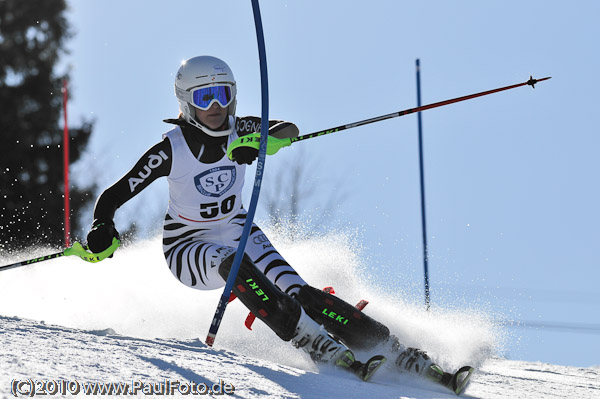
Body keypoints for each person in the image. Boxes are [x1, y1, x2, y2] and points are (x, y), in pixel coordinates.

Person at [86, 56, 459, 385]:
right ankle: (309, 339)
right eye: (204, 98)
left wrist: (258, 140)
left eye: (223, 94)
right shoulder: (173, 147)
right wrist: (102, 226)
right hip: (187, 244)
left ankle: (390, 349)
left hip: (239, 228)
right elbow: (114, 194)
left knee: (300, 292)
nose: (217, 106)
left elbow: (287, 130)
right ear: (186, 103)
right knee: (236, 267)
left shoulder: (239, 128)